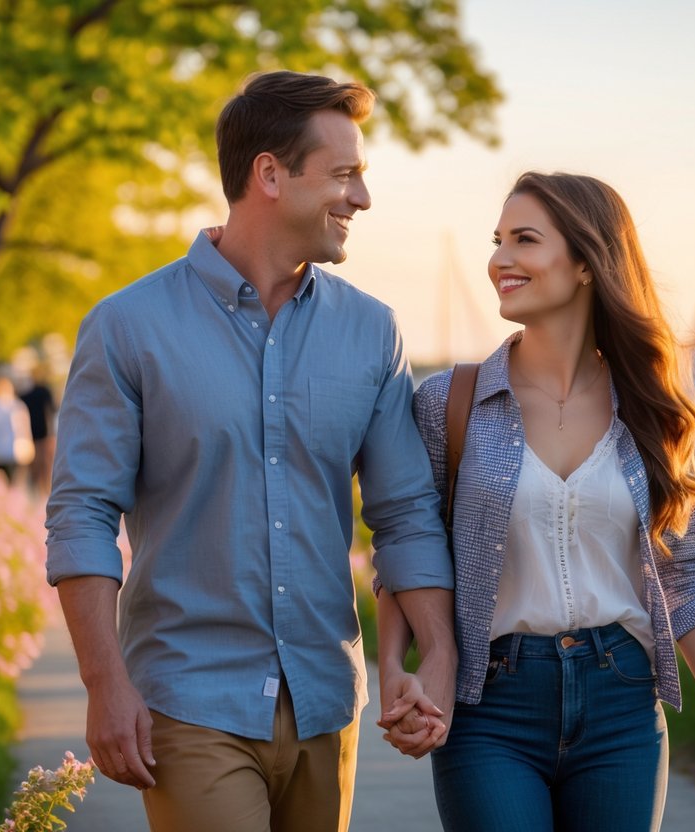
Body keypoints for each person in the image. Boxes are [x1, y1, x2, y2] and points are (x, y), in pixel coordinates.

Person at [45, 71, 456, 832]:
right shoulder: (128, 326)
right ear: (269, 174)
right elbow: (82, 513)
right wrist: (104, 684)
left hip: (325, 702)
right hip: (188, 699)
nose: (361, 199)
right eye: (344, 175)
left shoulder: (373, 332)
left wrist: (431, 664)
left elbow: (404, 517)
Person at [375, 172, 695, 831]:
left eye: (524, 240)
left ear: (588, 262)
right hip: (489, 706)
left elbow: (684, 575)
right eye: (497, 240)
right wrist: (399, 667)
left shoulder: (648, 410)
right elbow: (407, 550)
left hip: (621, 704)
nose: (500, 259)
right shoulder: (447, 404)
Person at [19, 365, 57, 496]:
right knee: (45, 466)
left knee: (33, 466)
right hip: (45, 434)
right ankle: (45, 492)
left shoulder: (25, 395)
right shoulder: (46, 392)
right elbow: (52, 410)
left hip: (31, 434)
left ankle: (34, 490)